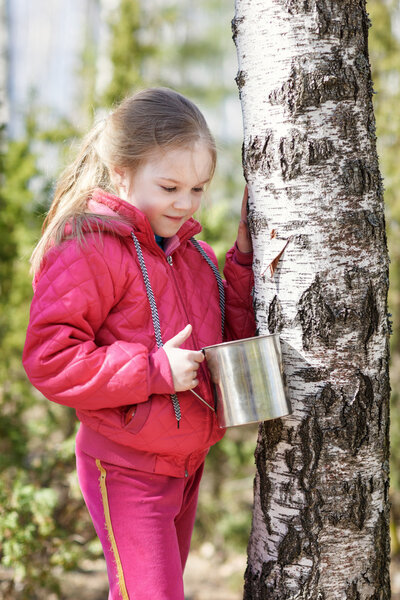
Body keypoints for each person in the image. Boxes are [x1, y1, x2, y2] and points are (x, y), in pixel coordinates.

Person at [23, 87, 255, 600]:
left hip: (186, 465)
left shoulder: (193, 256)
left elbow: (230, 331)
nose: (185, 203)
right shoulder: (91, 248)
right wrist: (153, 369)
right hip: (125, 467)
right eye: (169, 186)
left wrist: (241, 258)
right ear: (121, 171)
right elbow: (49, 359)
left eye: (198, 189)